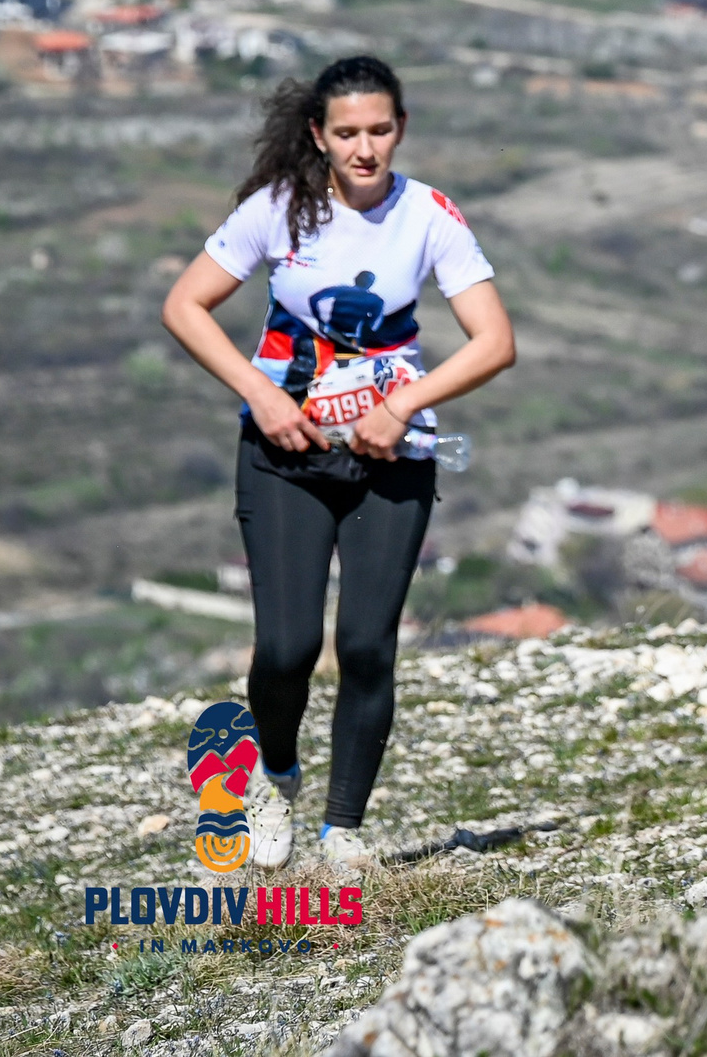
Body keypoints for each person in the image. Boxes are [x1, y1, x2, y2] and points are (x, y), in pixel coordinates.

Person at [162, 55, 517, 868]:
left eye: (381, 130)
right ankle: (273, 774)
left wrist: (402, 406)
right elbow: (184, 304)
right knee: (286, 647)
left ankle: (343, 829)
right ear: (318, 134)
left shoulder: (428, 214)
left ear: (401, 128)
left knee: (365, 643)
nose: (366, 148)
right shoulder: (276, 209)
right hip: (283, 456)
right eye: (348, 132)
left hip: (390, 459)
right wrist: (260, 392)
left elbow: (496, 341)